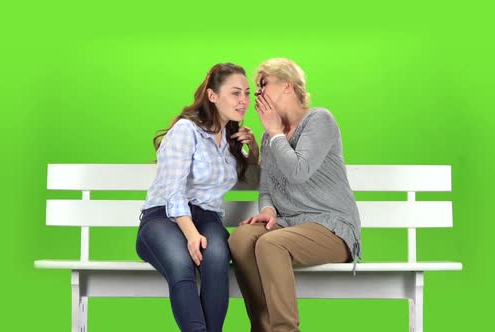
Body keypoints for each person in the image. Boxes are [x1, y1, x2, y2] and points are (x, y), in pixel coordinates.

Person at [228, 58, 362, 332]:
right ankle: (262, 327)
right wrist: (267, 210)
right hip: (290, 227)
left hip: (332, 228)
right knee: (241, 239)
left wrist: (276, 132)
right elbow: (266, 188)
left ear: (287, 86)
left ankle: (285, 330)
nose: (257, 93)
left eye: (263, 84)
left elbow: (299, 171)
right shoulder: (269, 137)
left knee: (271, 244)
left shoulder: (318, 120)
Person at [136, 63, 259, 332]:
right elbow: (173, 191)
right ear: (212, 96)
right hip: (164, 218)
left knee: (216, 260)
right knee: (182, 265)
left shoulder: (231, 138)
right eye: (235, 93)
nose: (243, 101)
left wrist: (253, 148)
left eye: (247, 93)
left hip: (208, 218)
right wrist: (191, 234)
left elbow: (252, 180)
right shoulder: (186, 130)